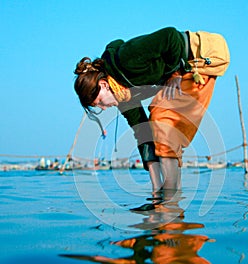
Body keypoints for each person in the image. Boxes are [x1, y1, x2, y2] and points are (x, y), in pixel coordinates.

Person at [73, 27, 229, 194]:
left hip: (203, 55)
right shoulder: (123, 96)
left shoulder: (126, 58)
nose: (104, 108)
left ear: (103, 85)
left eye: (100, 103)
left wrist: (175, 74)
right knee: (156, 125)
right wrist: (155, 186)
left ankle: (171, 202)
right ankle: (164, 197)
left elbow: (170, 36)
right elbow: (142, 132)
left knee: (162, 120)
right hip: (185, 68)